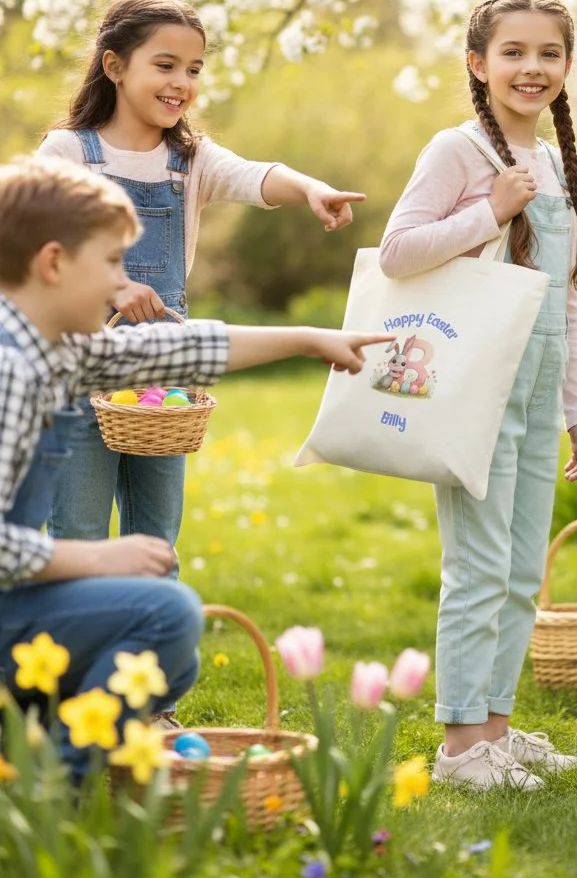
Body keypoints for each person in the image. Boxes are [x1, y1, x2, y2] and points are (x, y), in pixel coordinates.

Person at [0, 157, 388, 780]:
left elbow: (171, 345)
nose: (118, 283)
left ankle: (41, 752)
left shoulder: (53, 347)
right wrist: (98, 559)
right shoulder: (11, 367)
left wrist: (308, 338)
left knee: (166, 638)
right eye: (110, 264)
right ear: (51, 264)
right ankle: (55, 792)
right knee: (165, 615)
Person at [37, 0, 365, 590]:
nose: (181, 82)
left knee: (157, 541)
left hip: (164, 380)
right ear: (114, 66)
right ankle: (71, 674)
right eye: (164, 65)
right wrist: (111, 285)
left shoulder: (188, 160)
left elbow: (255, 176)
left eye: (193, 70)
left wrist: (311, 188)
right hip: (77, 374)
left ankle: (146, 669)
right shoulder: (68, 153)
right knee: (79, 536)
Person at [379, 0, 577, 790]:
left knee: (516, 571)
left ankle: (496, 731)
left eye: (548, 53)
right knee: (476, 568)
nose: (531, 67)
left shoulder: (554, 161)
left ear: (567, 67)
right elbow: (399, 252)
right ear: (478, 63)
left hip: (537, 393)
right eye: (513, 52)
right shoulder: (457, 150)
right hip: (475, 387)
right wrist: (487, 214)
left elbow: (565, 300)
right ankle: (460, 747)